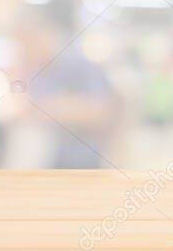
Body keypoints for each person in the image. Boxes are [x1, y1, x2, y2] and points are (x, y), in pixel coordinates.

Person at [8, 10, 120, 168]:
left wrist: (52, 108)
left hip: (81, 165)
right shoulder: (35, 74)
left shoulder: (79, 65)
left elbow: (100, 112)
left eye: (28, 43)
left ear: (46, 36)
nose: (24, 51)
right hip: (46, 165)